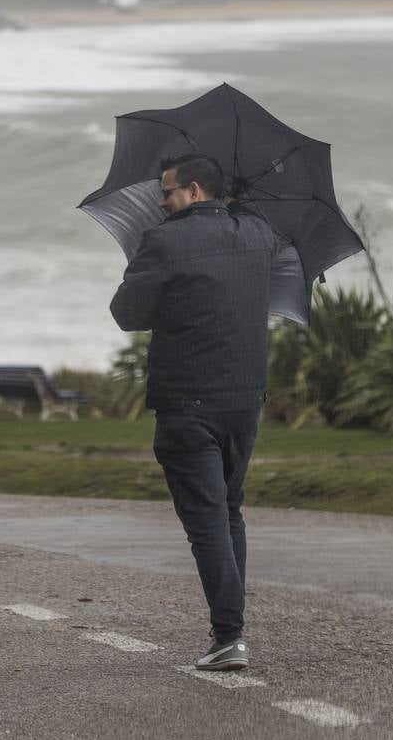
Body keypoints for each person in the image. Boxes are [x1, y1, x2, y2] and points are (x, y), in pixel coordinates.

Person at [108, 152, 277, 672]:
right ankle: (230, 631)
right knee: (229, 512)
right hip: (245, 401)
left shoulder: (163, 241)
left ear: (196, 190)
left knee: (206, 522)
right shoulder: (259, 234)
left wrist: (165, 294)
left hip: (188, 402)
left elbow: (126, 313)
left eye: (168, 192)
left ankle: (230, 636)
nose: (161, 202)